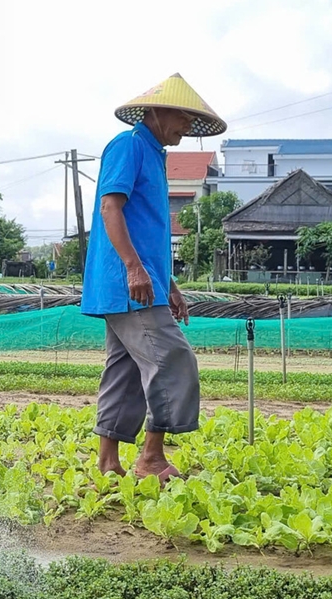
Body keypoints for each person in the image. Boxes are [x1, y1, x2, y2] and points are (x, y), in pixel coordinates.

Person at [81, 74, 226, 482]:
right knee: (173, 359)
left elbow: (151, 232)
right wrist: (132, 267)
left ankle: (108, 463)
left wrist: (171, 285)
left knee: (124, 370)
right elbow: (111, 208)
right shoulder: (128, 145)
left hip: (140, 283)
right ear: (158, 113)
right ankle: (151, 458)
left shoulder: (154, 155)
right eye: (183, 119)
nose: (187, 129)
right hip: (127, 284)